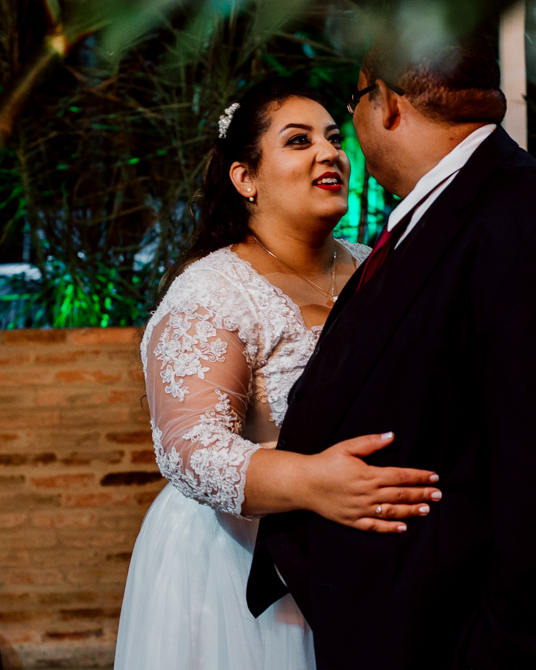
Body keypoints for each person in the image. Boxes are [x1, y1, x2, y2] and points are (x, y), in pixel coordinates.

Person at [248, 38, 536, 669]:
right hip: (387, 619)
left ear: (389, 106)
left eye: (354, 103)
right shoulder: (446, 209)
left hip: (455, 638)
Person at [114, 78, 441, 670]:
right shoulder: (213, 291)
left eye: (333, 138)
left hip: (366, 557)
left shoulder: (374, 266)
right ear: (246, 179)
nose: (330, 153)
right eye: (298, 141)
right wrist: (315, 483)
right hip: (241, 563)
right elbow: (190, 449)